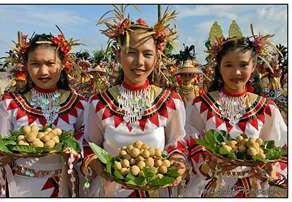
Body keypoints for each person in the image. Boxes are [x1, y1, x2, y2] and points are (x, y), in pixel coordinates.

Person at [81, 7, 187, 197]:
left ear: (156, 57)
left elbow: (176, 144)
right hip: (110, 192)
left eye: (147, 54)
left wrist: (178, 163)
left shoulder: (171, 102)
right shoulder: (99, 102)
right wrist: (101, 168)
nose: (139, 61)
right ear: (118, 55)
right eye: (131, 52)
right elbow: (89, 145)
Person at [183, 35, 287, 197]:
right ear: (219, 67)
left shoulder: (266, 108)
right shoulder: (201, 105)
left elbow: (281, 147)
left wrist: (270, 167)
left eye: (243, 65)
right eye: (229, 65)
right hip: (209, 189)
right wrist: (206, 166)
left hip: (252, 190)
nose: (236, 72)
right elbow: (188, 143)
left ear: (253, 67)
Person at [0, 31, 87, 197]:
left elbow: (88, 141)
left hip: (64, 188)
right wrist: (4, 156)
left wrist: (75, 150)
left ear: (63, 64)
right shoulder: (9, 103)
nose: (43, 71)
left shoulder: (80, 104)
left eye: (50, 63)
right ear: (26, 65)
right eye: (35, 64)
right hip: (21, 187)